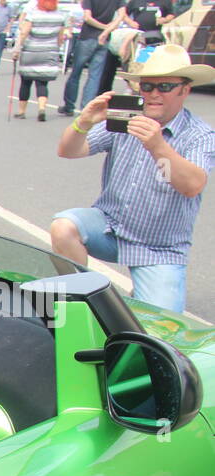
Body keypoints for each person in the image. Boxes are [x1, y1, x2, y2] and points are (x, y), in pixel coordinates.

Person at [52, 45, 215, 313]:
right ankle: (84, 301)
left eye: (164, 86)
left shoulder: (200, 135)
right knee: (64, 226)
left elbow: (192, 186)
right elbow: (68, 151)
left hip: (160, 246)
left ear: (185, 90)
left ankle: (142, 294)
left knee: (159, 331)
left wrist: (157, 145)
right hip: (110, 226)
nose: (153, 94)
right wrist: (84, 122)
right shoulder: (126, 118)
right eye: (147, 87)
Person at [59, 0, 126, 114]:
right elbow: (121, 15)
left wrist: (103, 27)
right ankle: (86, 108)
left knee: (76, 72)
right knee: (95, 75)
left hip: (88, 36)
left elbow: (87, 17)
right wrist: (107, 29)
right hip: (104, 39)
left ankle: (69, 105)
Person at [12, 0, 70, 119]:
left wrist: (17, 49)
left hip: (31, 51)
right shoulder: (60, 16)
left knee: (26, 82)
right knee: (42, 82)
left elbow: (24, 33)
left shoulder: (33, 14)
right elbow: (60, 37)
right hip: (49, 51)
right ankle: (42, 108)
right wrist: (56, 48)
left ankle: (22, 111)